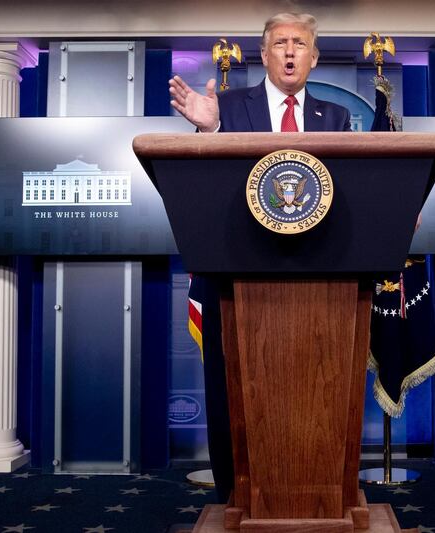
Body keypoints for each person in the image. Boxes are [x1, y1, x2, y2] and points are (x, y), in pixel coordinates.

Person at [169, 12, 352, 503]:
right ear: (264, 54)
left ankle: (318, 493)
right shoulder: (224, 106)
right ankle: (238, 495)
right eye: (279, 43)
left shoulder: (334, 119)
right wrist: (209, 133)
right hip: (237, 275)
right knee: (238, 392)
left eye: (299, 43)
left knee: (313, 393)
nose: (290, 51)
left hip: (317, 280)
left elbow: (343, 193)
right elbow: (208, 190)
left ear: (313, 57)